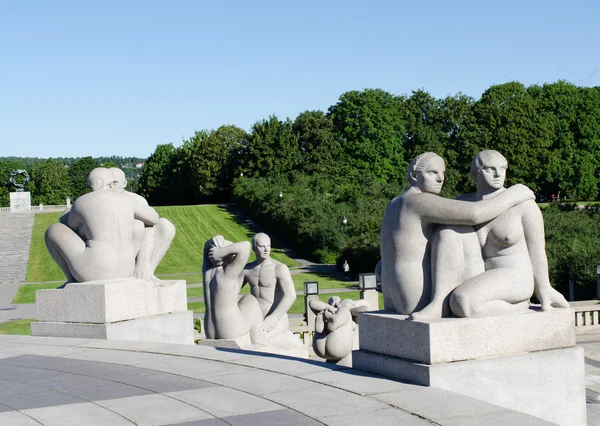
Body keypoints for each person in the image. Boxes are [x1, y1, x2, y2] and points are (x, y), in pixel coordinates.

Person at [412, 150, 569, 320]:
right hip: (478, 276)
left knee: (462, 302)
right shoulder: (464, 202)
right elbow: (431, 237)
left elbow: (537, 250)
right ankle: (438, 302)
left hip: (514, 275)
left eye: (502, 169)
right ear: (475, 175)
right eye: (489, 169)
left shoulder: (524, 206)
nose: (497, 174)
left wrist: (544, 288)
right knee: (447, 231)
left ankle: (521, 306)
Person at [380, 152, 535, 315]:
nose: (440, 179)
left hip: (394, 296)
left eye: (442, 173)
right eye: (432, 173)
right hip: (415, 297)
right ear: (414, 175)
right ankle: (438, 302)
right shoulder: (418, 200)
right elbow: (474, 214)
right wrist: (514, 193)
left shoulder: (395, 202)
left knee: (449, 228)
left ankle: (446, 300)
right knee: (457, 229)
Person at [45, 168, 160, 283]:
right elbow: (154, 218)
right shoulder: (127, 199)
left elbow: (70, 227)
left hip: (93, 270)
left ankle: (71, 280)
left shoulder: (81, 202)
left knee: (54, 229)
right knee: (138, 224)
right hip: (127, 268)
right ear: (110, 183)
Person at [110, 167, 176, 280]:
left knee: (165, 226)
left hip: (136, 244)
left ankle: (146, 270)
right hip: (114, 248)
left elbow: (150, 226)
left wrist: (143, 262)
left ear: (124, 183)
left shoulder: (137, 200)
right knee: (138, 226)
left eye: (115, 182)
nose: (111, 186)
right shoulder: (100, 201)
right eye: (108, 183)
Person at [202, 236, 267, 345]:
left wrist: (212, 241)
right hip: (229, 329)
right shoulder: (228, 273)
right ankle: (257, 340)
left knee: (238, 299)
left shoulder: (207, 271)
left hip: (209, 330)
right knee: (250, 300)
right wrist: (222, 251)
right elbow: (246, 245)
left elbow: (206, 247)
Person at [240, 233, 296, 335]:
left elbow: (291, 295)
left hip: (275, 319)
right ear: (254, 248)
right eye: (262, 246)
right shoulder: (247, 270)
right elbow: (231, 291)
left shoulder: (279, 268)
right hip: (256, 318)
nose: (266, 249)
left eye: (268, 246)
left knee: (260, 338)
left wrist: (275, 317)